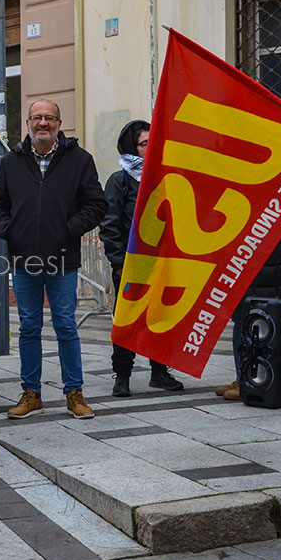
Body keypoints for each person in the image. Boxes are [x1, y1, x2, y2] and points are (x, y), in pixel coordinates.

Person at [0, 99, 107, 420]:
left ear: (59, 123)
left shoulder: (80, 160)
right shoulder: (12, 161)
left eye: (49, 118)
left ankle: (74, 392)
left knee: (66, 325)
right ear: (27, 122)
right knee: (29, 327)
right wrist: (11, 230)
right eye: (37, 118)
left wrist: (69, 230)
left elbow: (96, 205)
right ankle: (31, 393)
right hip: (23, 258)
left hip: (63, 259)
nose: (43, 123)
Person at [99, 120, 184, 397]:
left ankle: (159, 372)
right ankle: (122, 376)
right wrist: (119, 262)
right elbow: (109, 224)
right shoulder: (120, 180)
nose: (150, 148)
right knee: (126, 320)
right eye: (145, 144)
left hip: (162, 262)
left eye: (152, 142)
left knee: (160, 318)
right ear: (131, 147)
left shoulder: (163, 176)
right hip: (130, 264)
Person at [217, 234, 281, 400]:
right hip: (249, 271)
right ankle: (243, 377)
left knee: (255, 330)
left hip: (262, 275)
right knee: (243, 325)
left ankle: (252, 381)